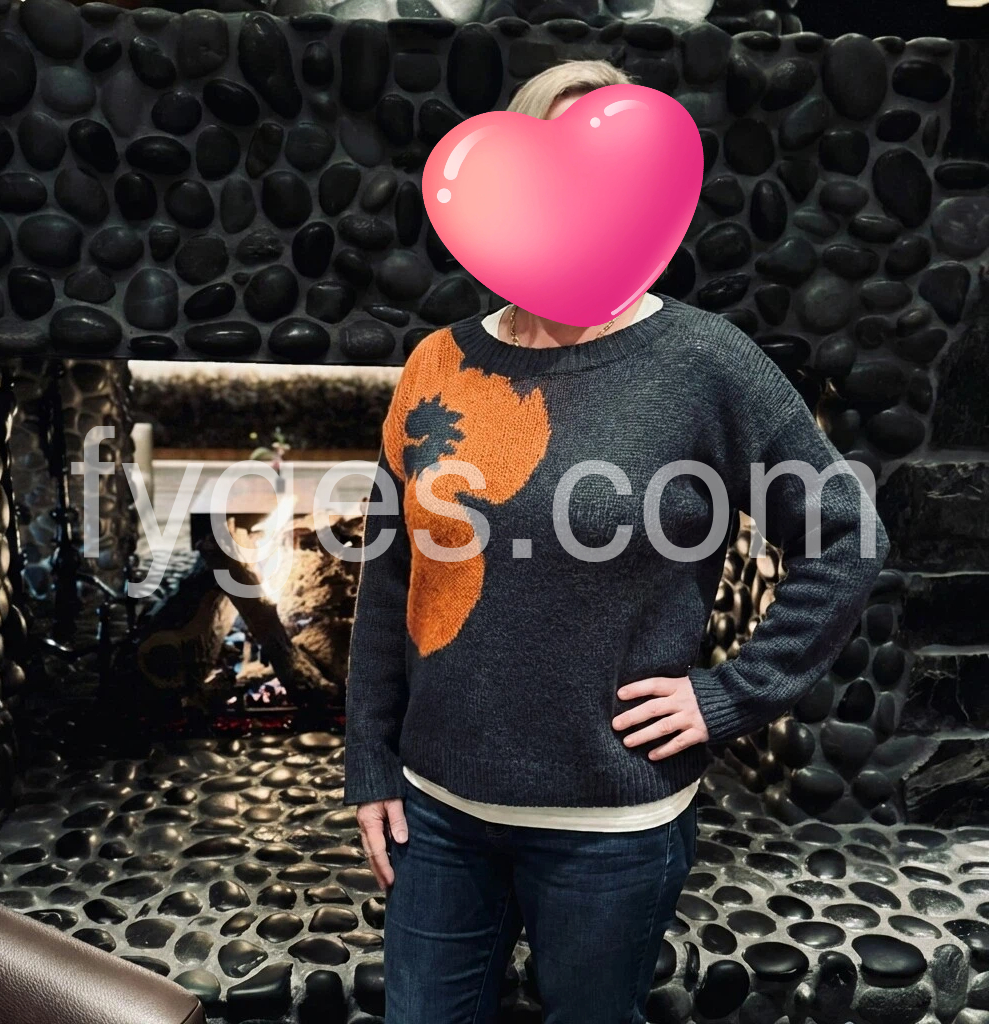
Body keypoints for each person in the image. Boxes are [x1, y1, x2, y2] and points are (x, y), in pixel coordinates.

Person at [341, 59, 890, 1024]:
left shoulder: (703, 362)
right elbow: (392, 576)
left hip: (611, 828)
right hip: (439, 812)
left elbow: (846, 534)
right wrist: (371, 761)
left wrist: (731, 693)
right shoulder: (438, 363)